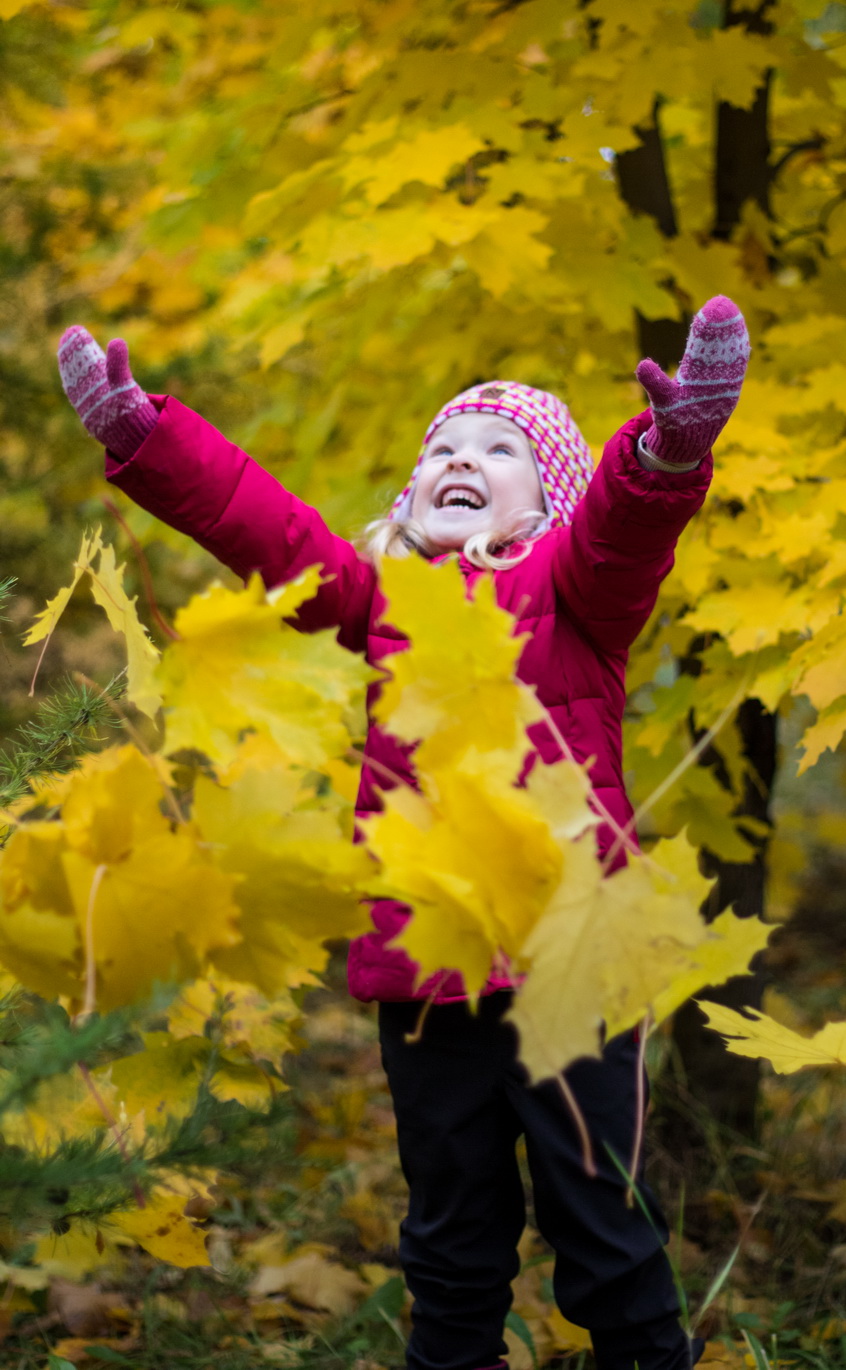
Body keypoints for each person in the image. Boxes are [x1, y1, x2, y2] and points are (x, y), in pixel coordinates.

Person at [58, 296, 750, 1370]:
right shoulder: (384, 597)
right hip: (428, 983)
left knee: (602, 1229)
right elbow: (268, 530)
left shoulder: (577, 592)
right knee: (450, 1240)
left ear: (549, 497)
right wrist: (146, 436)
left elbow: (626, 525)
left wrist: (669, 446)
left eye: (499, 446)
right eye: (441, 447)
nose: (460, 456)